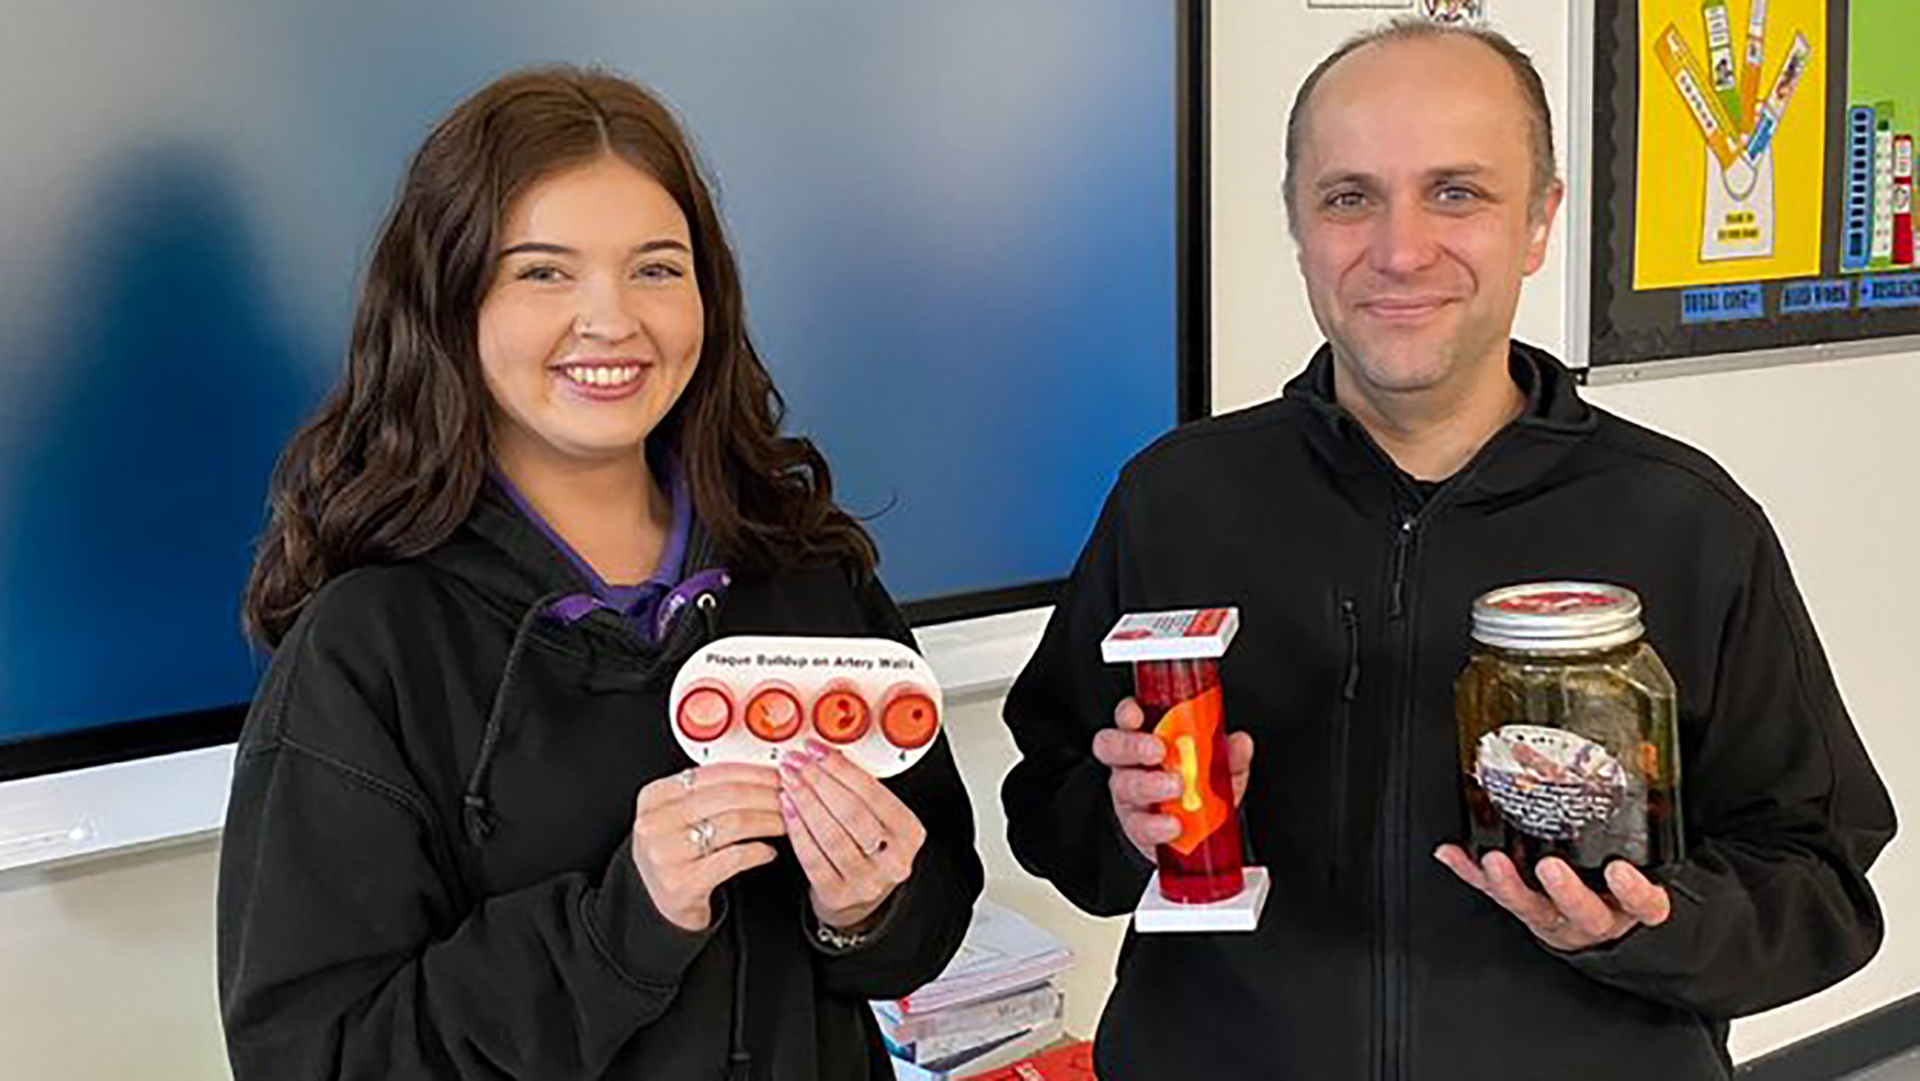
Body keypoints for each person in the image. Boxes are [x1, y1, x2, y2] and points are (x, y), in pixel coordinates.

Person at [1000, 21, 1894, 1080]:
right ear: (1298, 222)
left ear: (1540, 222)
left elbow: (1822, 881)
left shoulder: (1684, 519)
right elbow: (1048, 797)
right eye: (1349, 196)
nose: (1400, 249)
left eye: (1457, 192)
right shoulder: (1175, 498)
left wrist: (1645, 925)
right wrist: (1118, 819)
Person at [218, 66, 982, 1081]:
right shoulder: (371, 647)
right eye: (543, 272)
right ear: (451, 300)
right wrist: (624, 925)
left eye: (658, 269)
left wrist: (864, 910)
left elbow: (927, 915)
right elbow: (319, 1058)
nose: (613, 320)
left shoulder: (806, 574)